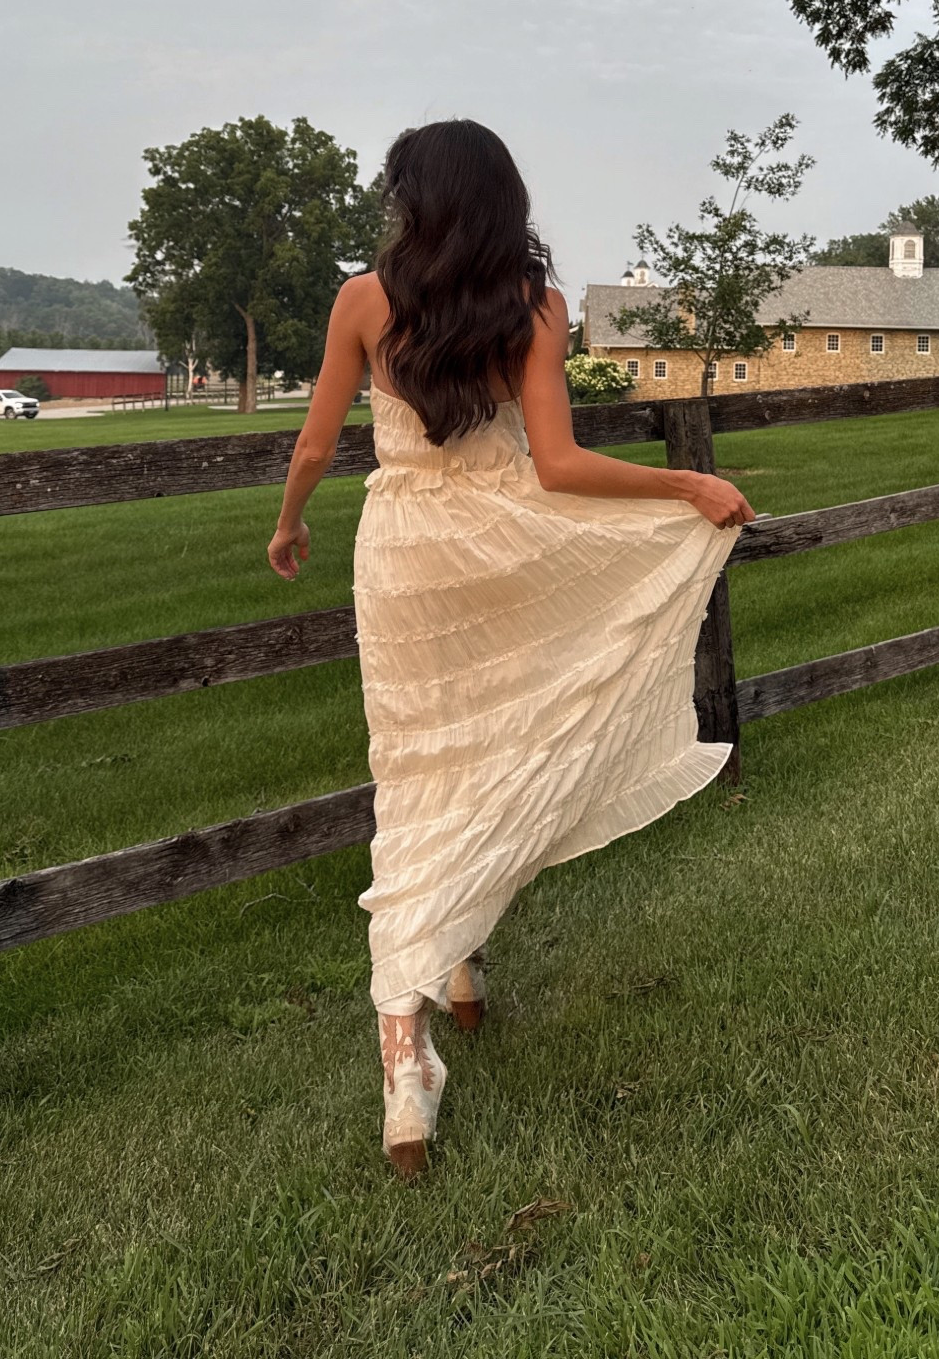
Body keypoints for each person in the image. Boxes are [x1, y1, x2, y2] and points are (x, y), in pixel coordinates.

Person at [267, 119, 754, 1176]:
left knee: (418, 767)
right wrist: (683, 483)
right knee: (498, 741)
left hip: (404, 556)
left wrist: (291, 521)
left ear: (416, 199)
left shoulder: (362, 299)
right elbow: (561, 464)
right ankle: (461, 964)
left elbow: (313, 443)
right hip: (503, 546)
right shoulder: (536, 306)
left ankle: (407, 1059)